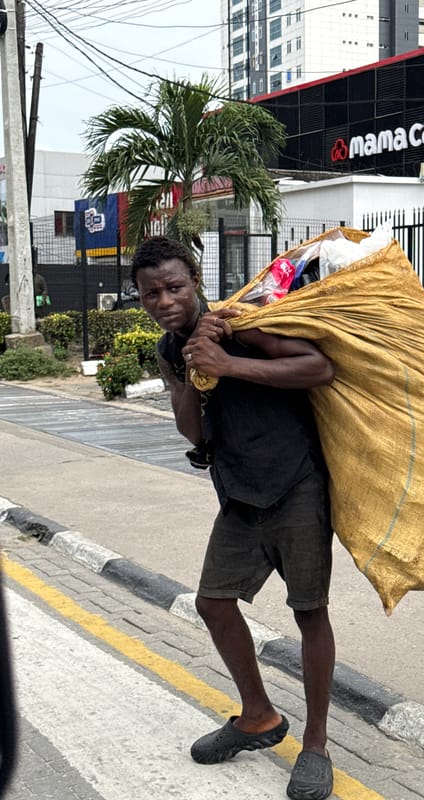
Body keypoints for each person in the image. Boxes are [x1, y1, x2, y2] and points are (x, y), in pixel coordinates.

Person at [131, 236, 337, 800]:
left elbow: (317, 367)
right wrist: (187, 369)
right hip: (239, 495)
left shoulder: (239, 322)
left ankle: (315, 745)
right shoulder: (172, 347)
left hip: (297, 484)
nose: (165, 300)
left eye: (174, 287)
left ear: (195, 280)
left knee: (309, 612)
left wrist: (227, 361)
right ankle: (259, 717)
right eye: (152, 294)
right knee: (213, 602)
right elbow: (194, 432)